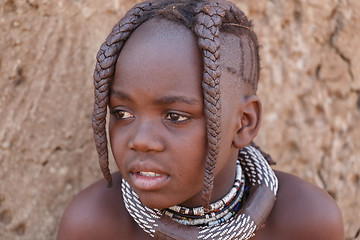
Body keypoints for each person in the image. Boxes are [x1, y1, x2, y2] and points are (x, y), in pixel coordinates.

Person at [57, 0, 344, 239]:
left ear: (244, 123)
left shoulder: (306, 221)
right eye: (123, 113)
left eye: (175, 116)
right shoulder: (94, 224)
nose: (141, 140)